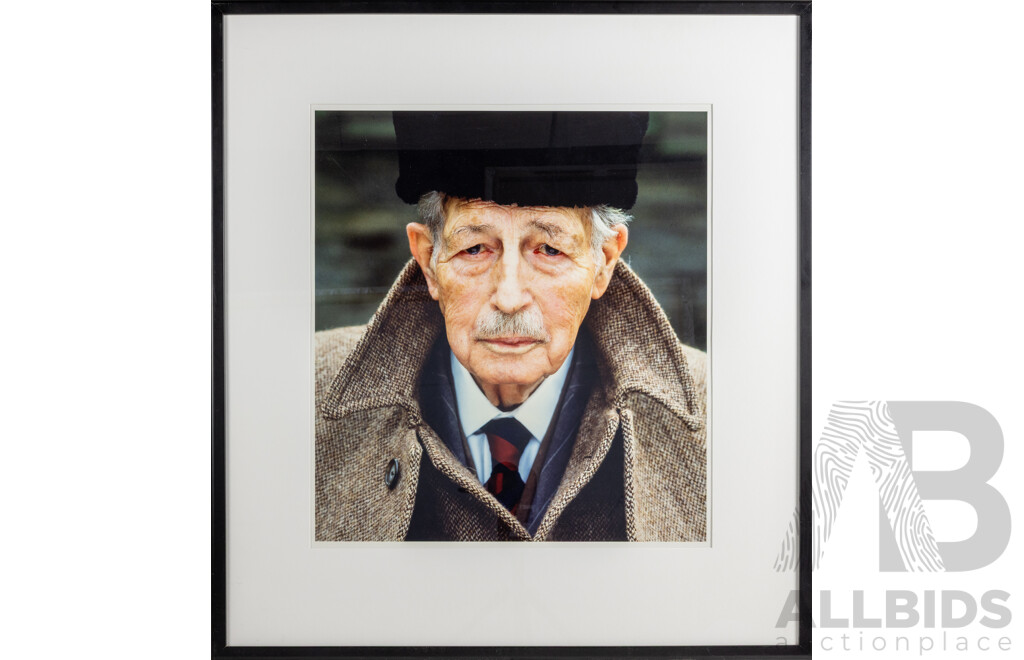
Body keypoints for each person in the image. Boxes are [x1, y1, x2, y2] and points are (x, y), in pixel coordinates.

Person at [315, 112, 706, 541]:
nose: (509, 297)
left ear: (604, 263)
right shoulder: (305, 395)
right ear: (427, 260)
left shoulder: (717, 417)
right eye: (476, 248)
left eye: (549, 250)